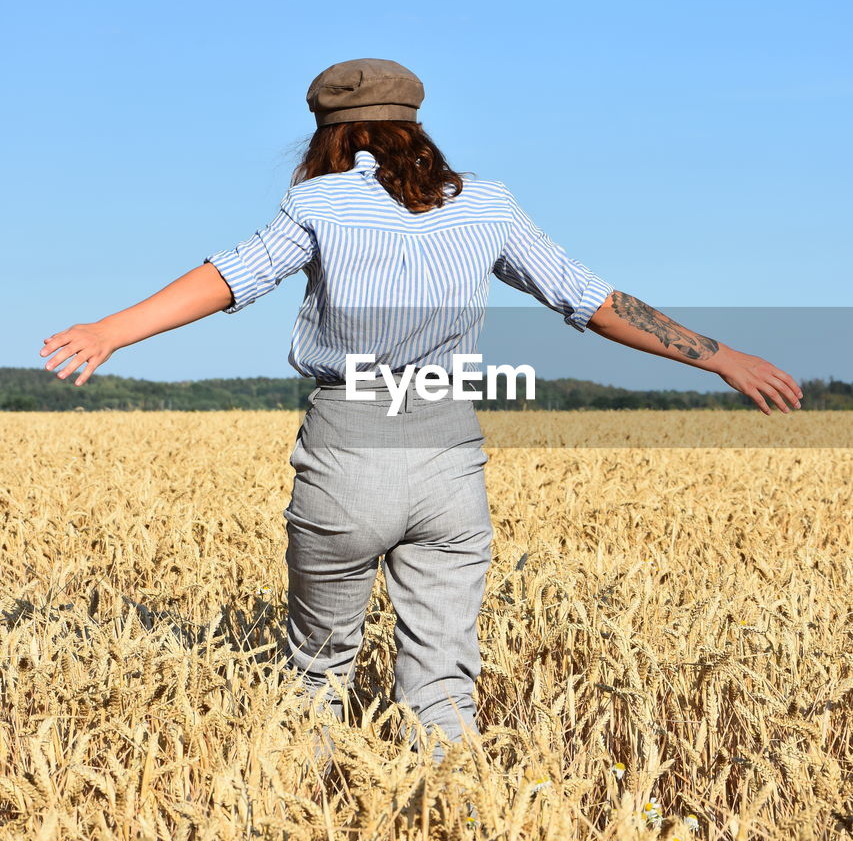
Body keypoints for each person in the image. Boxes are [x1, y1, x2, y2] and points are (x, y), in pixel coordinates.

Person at [39, 58, 803, 766]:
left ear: (330, 133)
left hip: (349, 450)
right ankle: (452, 838)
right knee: (442, 685)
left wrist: (109, 331)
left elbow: (231, 278)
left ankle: (303, 836)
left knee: (317, 673)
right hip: (448, 458)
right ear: (416, 123)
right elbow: (591, 300)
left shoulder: (317, 201)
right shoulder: (487, 204)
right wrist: (720, 355)